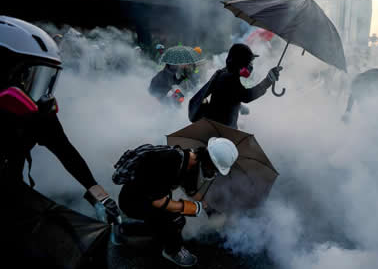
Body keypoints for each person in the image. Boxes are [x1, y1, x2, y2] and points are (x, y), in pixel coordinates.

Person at [0, 16, 121, 264]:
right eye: (29, 77)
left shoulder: (36, 113)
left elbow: (66, 152)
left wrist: (100, 195)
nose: (41, 95)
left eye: (46, 79)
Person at [118, 137, 238, 267]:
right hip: (132, 201)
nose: (214, 174)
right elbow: (158, 202)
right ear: (209, 162)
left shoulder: (192, 162)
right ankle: (171, 250)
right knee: (176, 220)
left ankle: (148, 230)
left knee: (173, 217)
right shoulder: (170, 161)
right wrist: (190, 208)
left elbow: (191, 191)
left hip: (149, 198)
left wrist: (208, 209)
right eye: (215, 170)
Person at [189, 43, 281, 129]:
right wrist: (268, 81)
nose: (251, 65)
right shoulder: (229, 77)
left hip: (217, 127)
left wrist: (239, 106)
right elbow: (247, 96)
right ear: (240, 62)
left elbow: (226, 97)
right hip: (222, 130)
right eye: (248, 62)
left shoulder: (224, 74)